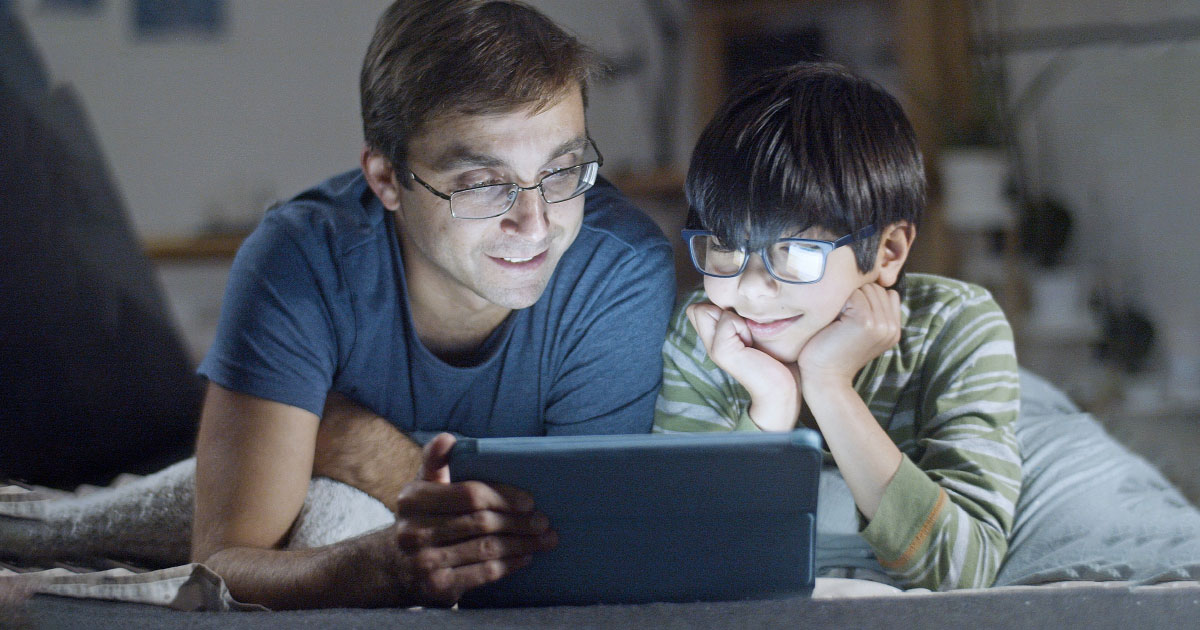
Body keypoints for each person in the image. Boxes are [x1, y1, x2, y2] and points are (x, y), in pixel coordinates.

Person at [191, 0, 674, 609]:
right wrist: (380, 567)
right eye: (482, 184)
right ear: (386, 180)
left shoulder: (618, 268)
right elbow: (220, 566)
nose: (536, 224)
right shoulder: (298, 262)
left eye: (562, 170)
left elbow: (576, 556)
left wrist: (362, 445)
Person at [653, 62, 1021, 591]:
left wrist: (829, 386)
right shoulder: (706, 338)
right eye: (725, 247)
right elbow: (680, 562)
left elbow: (961, 570)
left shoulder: (957, 326)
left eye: (798, 252)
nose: (751, 290)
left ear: (889, 251)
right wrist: (770, 409)